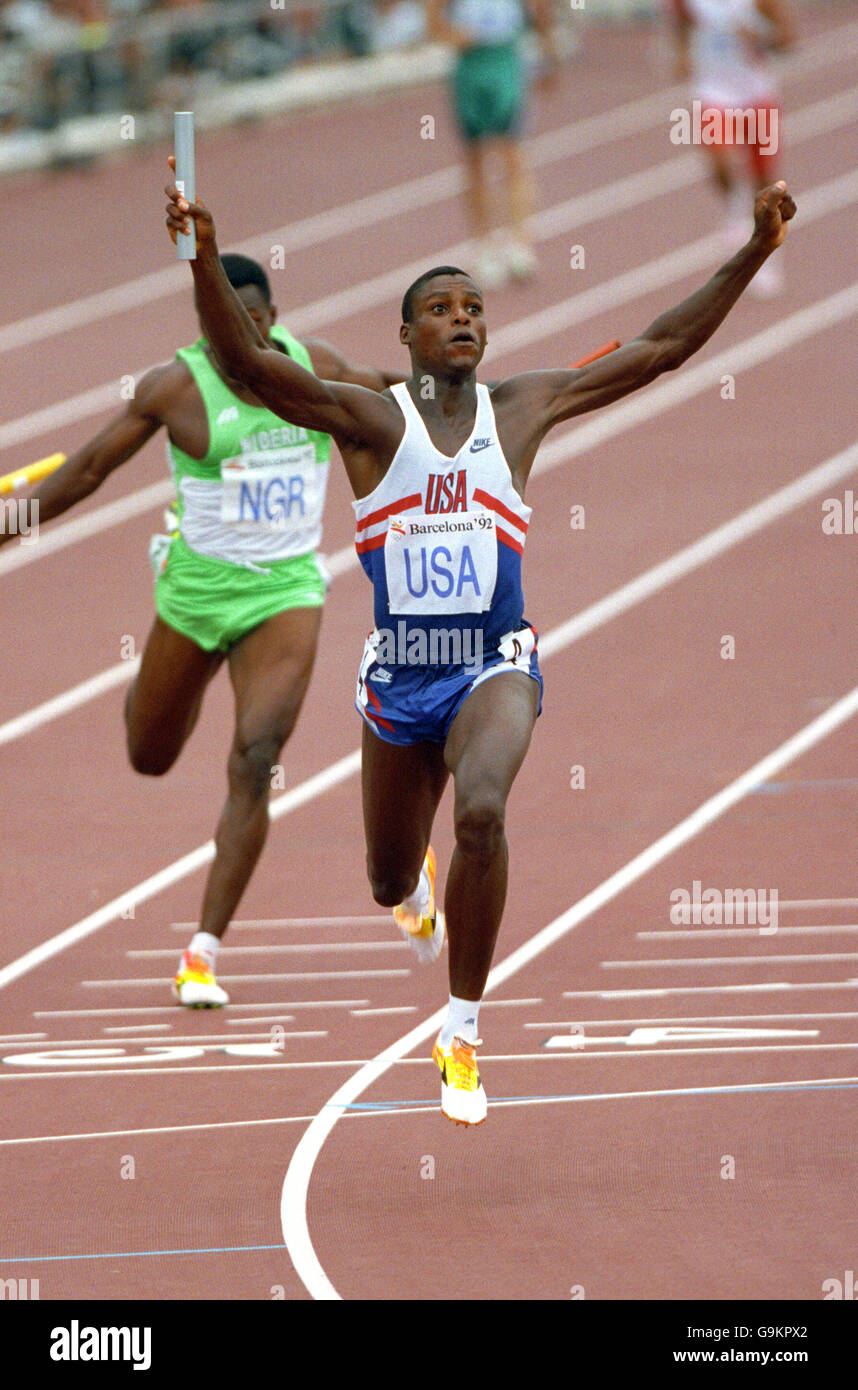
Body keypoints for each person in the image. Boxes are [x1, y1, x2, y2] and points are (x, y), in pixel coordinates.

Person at [165, 170, 795, 1124]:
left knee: (485, 813)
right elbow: (251, 369)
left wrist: (751, 251)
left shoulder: (523, 409)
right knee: (386, 879)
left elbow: (661, 349)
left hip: (494, 662)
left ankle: (460, 1029)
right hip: (398, 684)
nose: (463, 321)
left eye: (475, 309)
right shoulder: (373, 421)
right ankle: (409, 882)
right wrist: (205, 257)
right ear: (408, 337)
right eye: (440, 310)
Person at [0, 251, 401, 1008]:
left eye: (251, 326)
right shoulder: (177, 389)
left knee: (255, 758)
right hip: (193, 596)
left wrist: (492, 409)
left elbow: (404, 401)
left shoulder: (319, 371)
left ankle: (202, 951)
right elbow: (84, 471)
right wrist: (7, 527)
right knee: (149, 754)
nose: (239, 345)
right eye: (224, 332)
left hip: (284, 592)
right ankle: (160, 689)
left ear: (272, 321)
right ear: (207, 332)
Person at [426, 0, 558, 290]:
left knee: (512, 153)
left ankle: (519, 243)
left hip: (505, 59)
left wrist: (548, 54)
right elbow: (432, 20)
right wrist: (451, 35)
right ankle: (484, 246)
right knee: (474, 159)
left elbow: (540, 9)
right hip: (470, 63)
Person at [668, 0, 796, 295]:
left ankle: (767, 258)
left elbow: (788, 40)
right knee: (719, 159)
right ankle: (734, 207)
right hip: (713, 91)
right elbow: (682, 22)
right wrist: (682, 53)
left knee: (766, 182)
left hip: (757, 93)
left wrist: (760, 38)